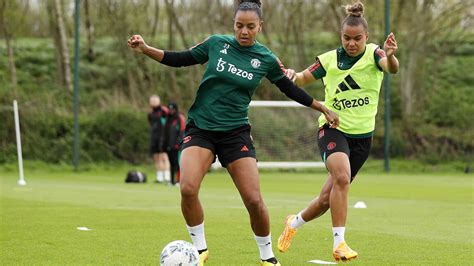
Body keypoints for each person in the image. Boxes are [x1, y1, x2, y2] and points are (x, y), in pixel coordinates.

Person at [128, 1, 338, 264]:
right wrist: (145, 49)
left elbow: (289, 88)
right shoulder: (216, 43)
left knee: (253, 200)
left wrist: (321, 106)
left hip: (235, 133)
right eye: (239, 26)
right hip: (201, 128)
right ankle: (200, 250)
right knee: (188, 188)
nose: (244, 31)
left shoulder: (266, 59)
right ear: (233, 25)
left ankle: (267, 257)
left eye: (251, 26)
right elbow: (180, 58)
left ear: (260, 26)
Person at [277, 1, 399, 262]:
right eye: (347, 38)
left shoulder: (376, 55)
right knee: (342, 178)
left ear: (366, 37)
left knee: (325, 199)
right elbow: (301, 77)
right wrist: (291, 75)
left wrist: (389, 55)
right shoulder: (329, 60)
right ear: (340, 36)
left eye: (357, 39)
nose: (351, 43)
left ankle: (293, 223)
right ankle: (339, 244)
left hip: (362, 139)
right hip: (332, 130)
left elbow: (392, 68)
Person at [148, 95, 171, 183]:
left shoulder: (164, 111)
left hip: (163, 138)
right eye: (152, 100)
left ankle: (167, 176)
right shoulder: (150, 114)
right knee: (156, 157)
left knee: (164, 157)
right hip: (154, 138)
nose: (153, 102)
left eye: (155, 100)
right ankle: (159, 177)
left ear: (159, 101)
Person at [163, 102, 185, 186]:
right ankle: (172, 181)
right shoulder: (167, 119)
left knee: (178, 163)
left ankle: (178, 181)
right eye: (170, 109)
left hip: (177, 146)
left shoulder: (180, 118)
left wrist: (178, 143)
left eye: (173, 109)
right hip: (169, 145)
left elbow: (182, 131)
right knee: (172, 163)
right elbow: (165, 133)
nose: (171, 111)